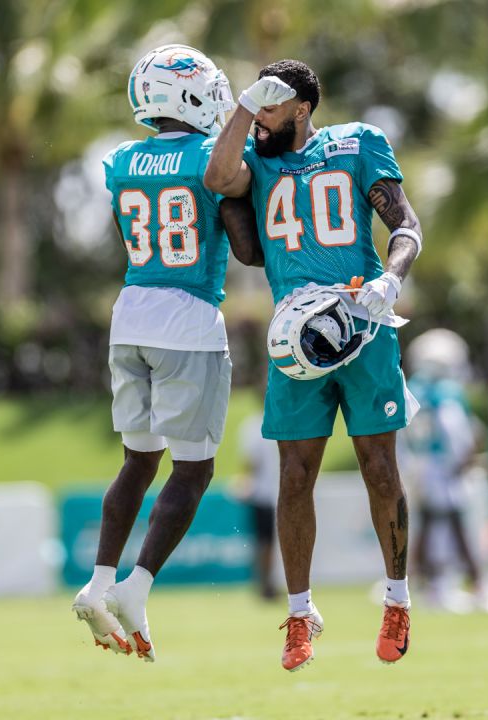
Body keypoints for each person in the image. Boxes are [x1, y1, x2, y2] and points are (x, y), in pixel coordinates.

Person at [205, 58, 423, 671]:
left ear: (302, 108)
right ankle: (299, 614)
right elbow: (220, 176)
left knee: (380, 467)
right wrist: (248, 104)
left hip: (363, 321)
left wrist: (390, 278)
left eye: (273, 104)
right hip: (292, 335)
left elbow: (406, 224)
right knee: (294, 475)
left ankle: (398, 598)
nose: (260, 117)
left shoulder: (357, 143)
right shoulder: (254, 155)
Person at [71, 44, 246, 663]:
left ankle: (96, 580)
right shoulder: (211, 156)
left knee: (137, 460)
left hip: (131, 314)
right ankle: (136, 586)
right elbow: (244, 237)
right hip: (189, 317)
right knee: (193, 469)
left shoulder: (120, 161)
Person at [400, 329, 485, 611]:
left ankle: (423, 583)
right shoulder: (442, 392)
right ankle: (465, 583)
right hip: (441, 466)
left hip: (421, 463)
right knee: (450, 522)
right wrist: (463, 458)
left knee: (428, 524)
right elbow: (455, 431)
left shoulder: (414, 386)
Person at [237, 413, 281, 600]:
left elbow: (250, 461)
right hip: (267, 492)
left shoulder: (253, 426)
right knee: (266, 542)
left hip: (265, 492)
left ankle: (266, 582)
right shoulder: (256, 426)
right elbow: (252, 462)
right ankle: (266, 583)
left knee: (264, 541)